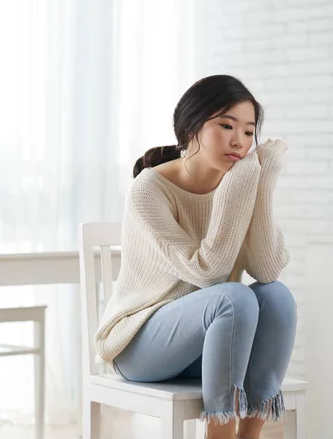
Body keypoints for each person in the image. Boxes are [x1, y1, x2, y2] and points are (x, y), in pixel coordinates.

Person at [94, 74, 297, 439]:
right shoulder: (149, 190)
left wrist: (262, 183)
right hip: (141, 345)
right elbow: (209, 273)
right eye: (226, 125)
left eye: (250, 132)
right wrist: (242, 181)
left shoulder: (241, 181)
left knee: (276, 295)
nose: (240, 141)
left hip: (209, 345)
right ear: (191, 127)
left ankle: (249, 435)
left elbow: (266, 268)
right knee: (233, 297)